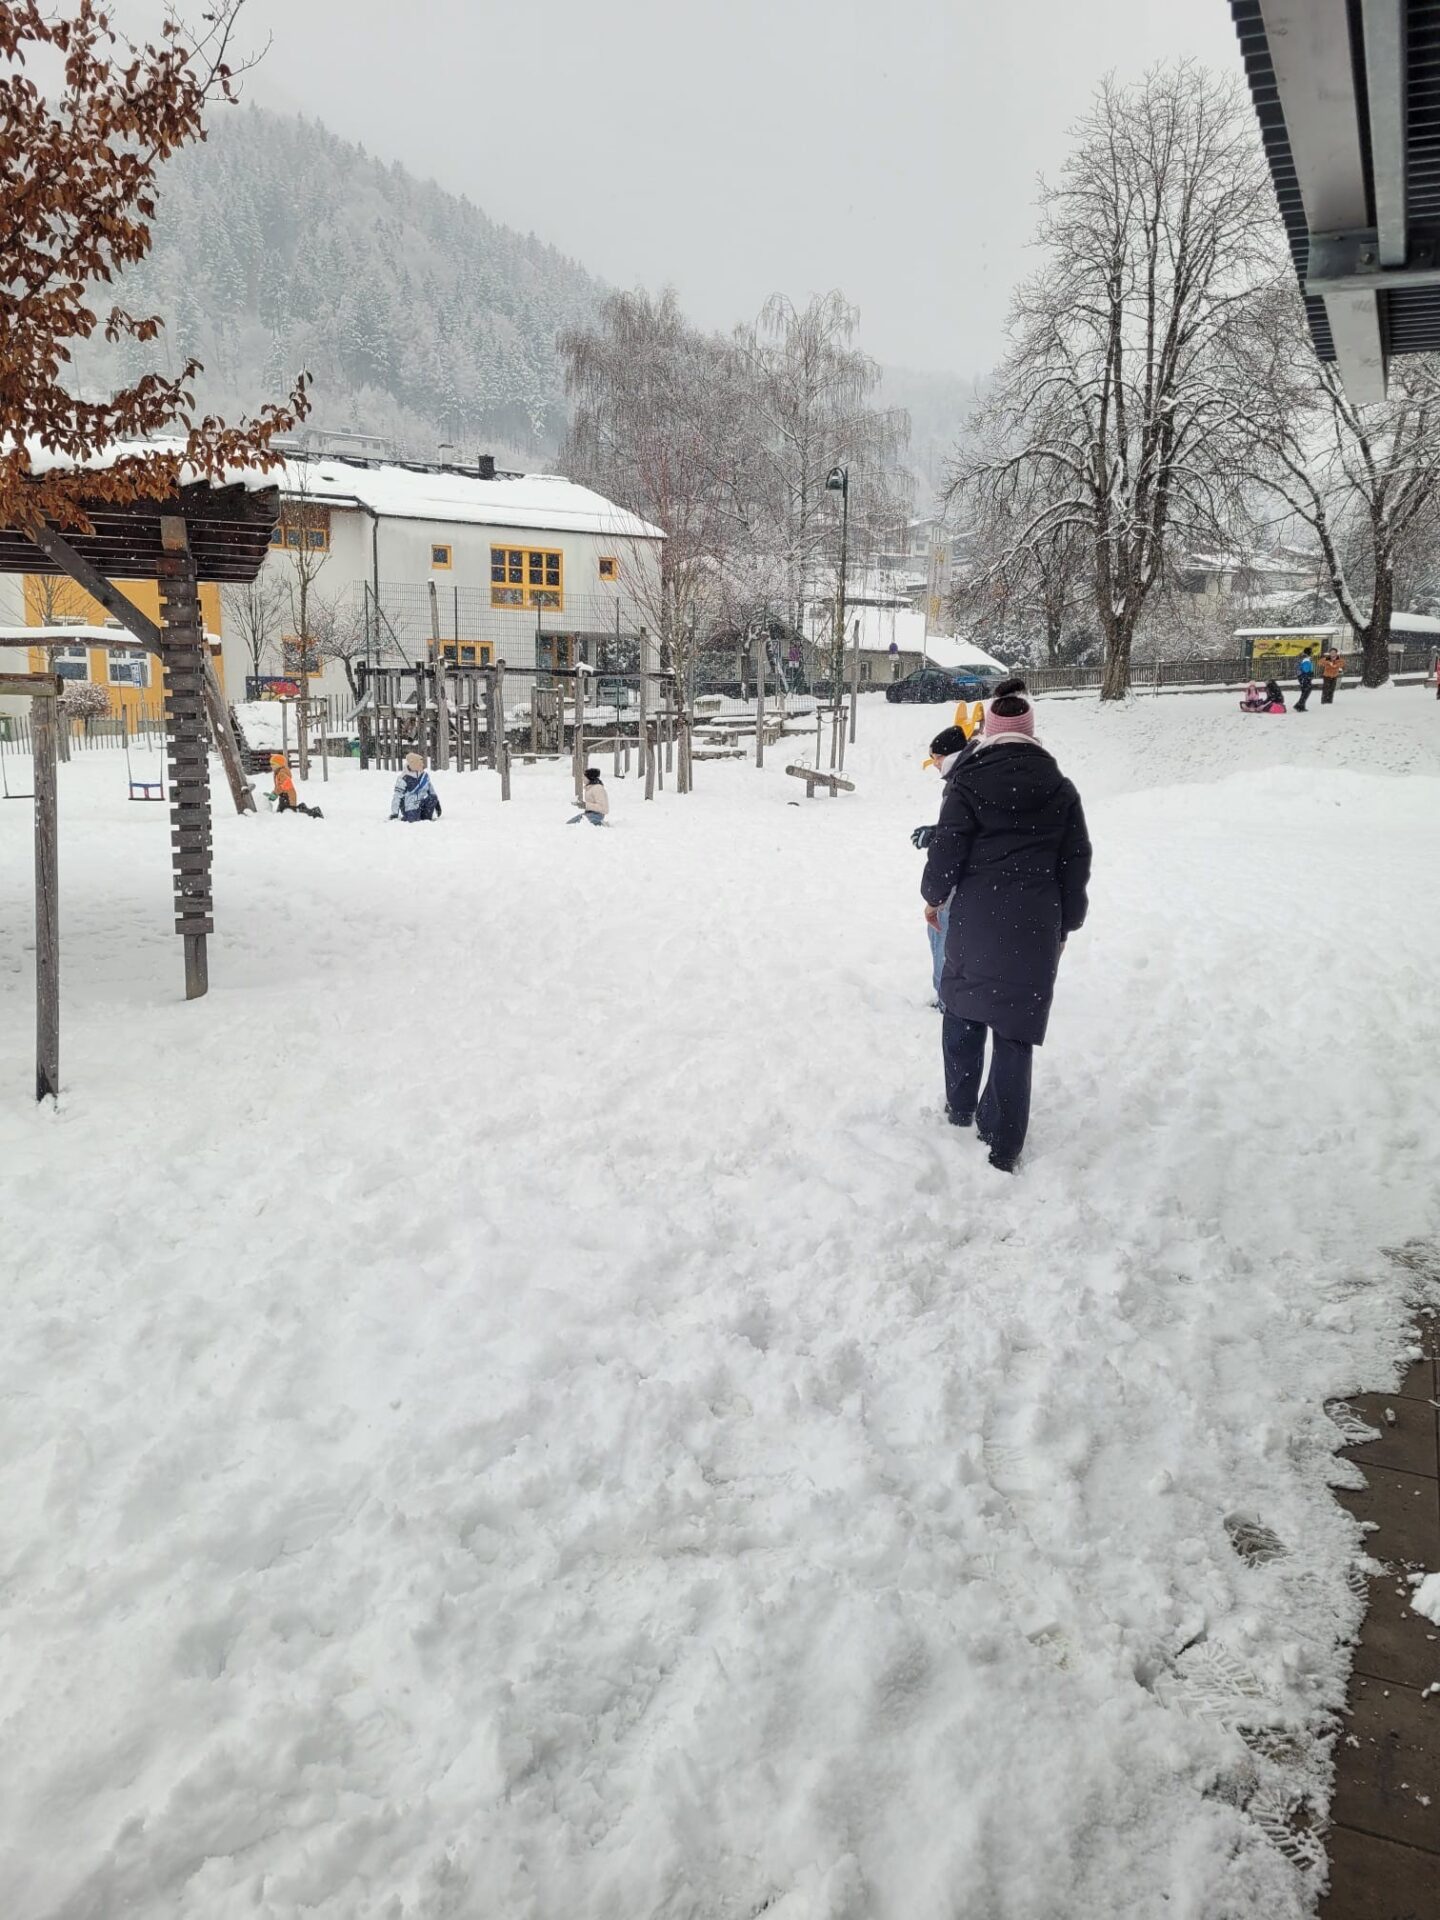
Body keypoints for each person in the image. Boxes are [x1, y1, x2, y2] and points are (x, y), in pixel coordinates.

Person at [921, 690, 1091, 1173]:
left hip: (976, 917)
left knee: (962, 1012)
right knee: (1014, 1033)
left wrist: (933, 899)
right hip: (1035, 925)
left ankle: (959, 1107)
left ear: (988, 733)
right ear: (1032, 731)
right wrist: (1068, 922)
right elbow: (1074, 862)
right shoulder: (1061, 789)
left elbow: (946, 851)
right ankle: (1003, 1142)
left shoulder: (967, 783)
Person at [914, 724, 974, 1005]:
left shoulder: (960, 784)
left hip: (962, 878)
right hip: (981, 877)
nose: (934, 765)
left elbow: (955, 843)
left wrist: (934, 897)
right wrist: (936, 832)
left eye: (935, 758)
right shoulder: (970, 775)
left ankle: (946, 998)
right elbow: (961, 828)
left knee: (941, 926)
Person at [390, 750, 442, 821]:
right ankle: (408, 817)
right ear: (414, 764)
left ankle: (425, 818)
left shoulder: (425, 776)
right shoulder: (403, 778)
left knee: (432, 798)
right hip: (409, 806)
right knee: (414, 819)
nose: (423, 765)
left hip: (421, 803)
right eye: (420, 764)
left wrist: (437, 804)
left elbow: (431, 791)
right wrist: (394, 813)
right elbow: (397, 796)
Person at [269, 753, 323, 818]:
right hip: (283, 796)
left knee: (289, 811)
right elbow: (278, 786)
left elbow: (282, 786)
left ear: (279, 765)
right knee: (281, 811)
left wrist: (275, 793)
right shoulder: (277, 773)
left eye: (273, 764)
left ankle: (314, 812)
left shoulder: (282, 774)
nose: (271, 766)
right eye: (271, 764)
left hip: (288, 796)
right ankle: (301, 807)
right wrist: (274, 793)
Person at [1295, 645, 1316, 711]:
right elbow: (1306, 669)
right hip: (1305, 677)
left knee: (1305, 691)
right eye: (1311, 652)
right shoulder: (1306, 659)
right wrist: (1311, 673)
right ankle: (1299, 706)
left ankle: (1300, 705)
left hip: (1301, 676)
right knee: (1306, 691)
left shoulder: (1302, 657)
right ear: (1309, 653)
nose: (1312, 653)